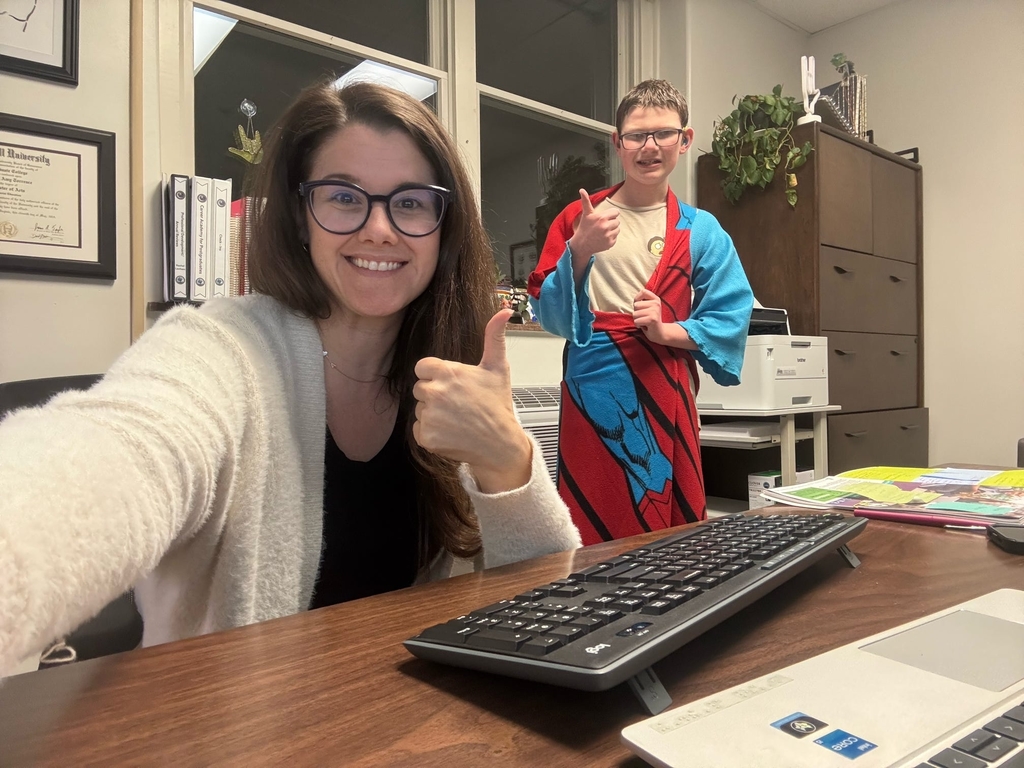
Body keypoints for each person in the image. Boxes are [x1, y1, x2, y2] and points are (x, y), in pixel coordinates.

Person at [0, 80, 581, 676]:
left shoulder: (453, 367)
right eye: (343, 197)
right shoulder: (221, 349)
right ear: (301, 217)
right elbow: (114, 456)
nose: (380, 228)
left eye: (410, 202)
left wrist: (506, 457)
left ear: (443, 228)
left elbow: (553, 613)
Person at [528, 79, 753, 545]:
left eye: (664, 134)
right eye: (636, 135)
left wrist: (668, 331)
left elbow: (731, 316)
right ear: (618, 142)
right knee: (592, 507)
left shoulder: (702, 230)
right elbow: (547, 311)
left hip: (664, 383)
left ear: (684, 140)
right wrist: (580, 251)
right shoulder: (578, 218)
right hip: (591, 387)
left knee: (669, 519)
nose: (649, 147)